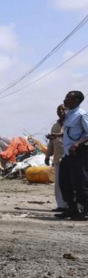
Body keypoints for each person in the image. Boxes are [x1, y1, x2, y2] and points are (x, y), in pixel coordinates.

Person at [56, 91, 88, 220]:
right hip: (68, 153)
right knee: (64, 182)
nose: (65, 100)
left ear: (76, 100)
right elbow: (70, 132)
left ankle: (86, 209)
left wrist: (77, 143)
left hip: (78, 153)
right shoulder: (69, 114)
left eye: (68, 98)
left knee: (80, 182)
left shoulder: (82, 115)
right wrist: (57, 135)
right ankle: (72, 208)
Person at [45, 104, 68, 212]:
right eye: (59, 110)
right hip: (58, 158)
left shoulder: (71, 123)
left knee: (71, 182)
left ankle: (72, 205)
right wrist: (47, 155)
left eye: (63, 109)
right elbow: (51, 143)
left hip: (71, 157)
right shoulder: (55, 126)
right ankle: (61, 205)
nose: (61, 111)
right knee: (58, 183)